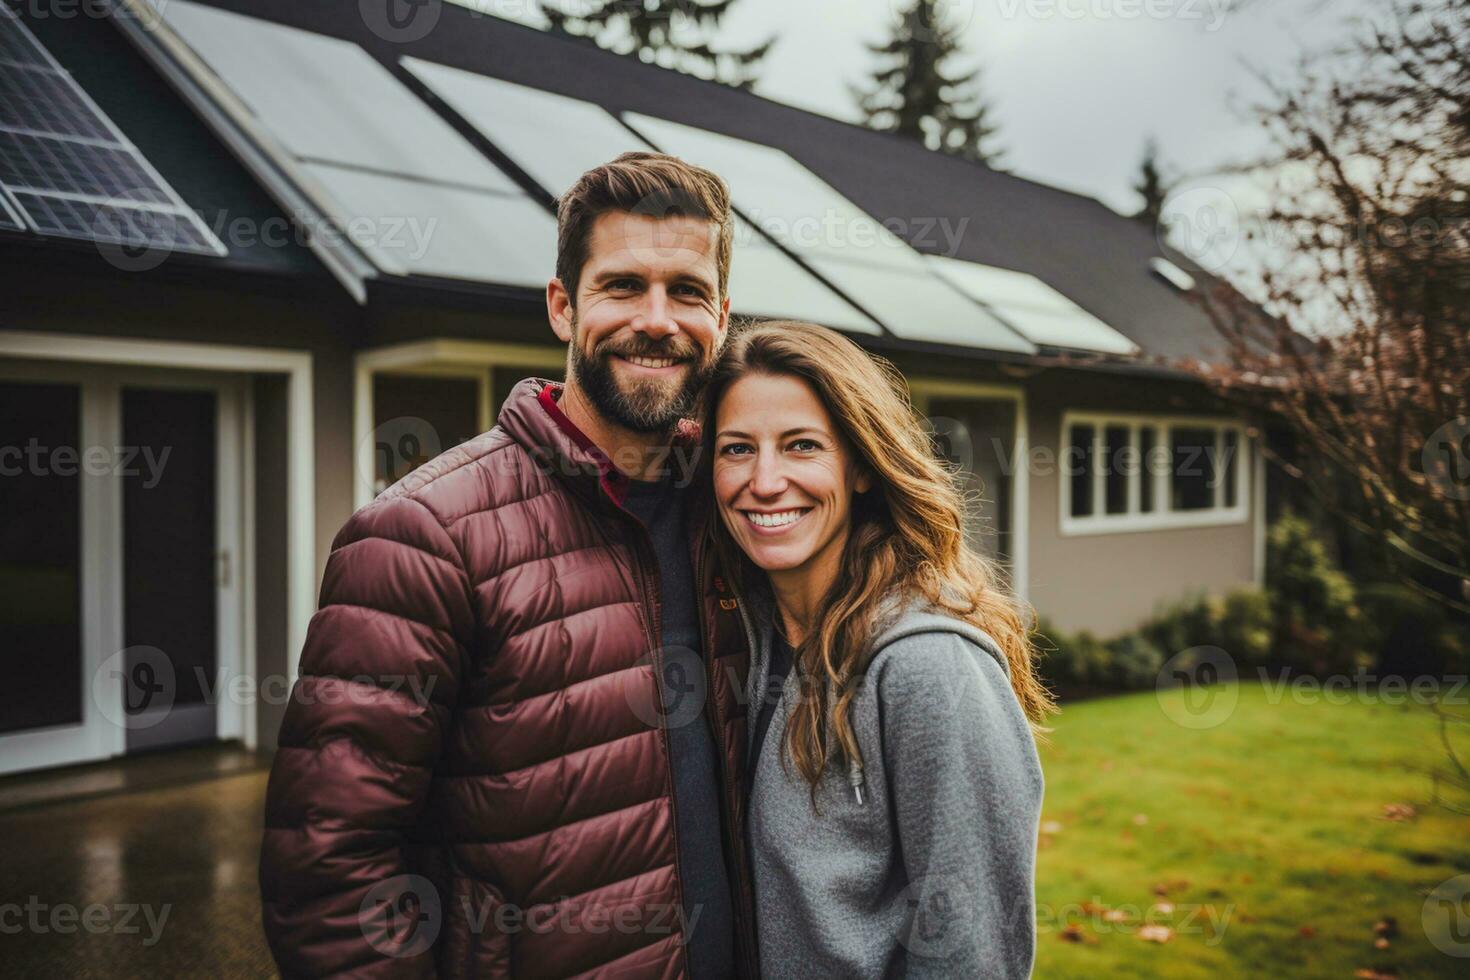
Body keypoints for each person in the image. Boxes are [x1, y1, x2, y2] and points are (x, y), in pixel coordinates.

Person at [259, 153, 759, 978]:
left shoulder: (737, 510)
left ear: (722, 316)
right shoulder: (420, 537)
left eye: (688, 292)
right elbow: (328, 873)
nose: (658, 319)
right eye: (623, 286)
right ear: (563, 307)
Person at [706, 321, 1051, 978]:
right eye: (737, 449)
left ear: (861, 466)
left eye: (802, 445)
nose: (766, 480)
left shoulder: (929, 667)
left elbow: (972, 954)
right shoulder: (739, 642)